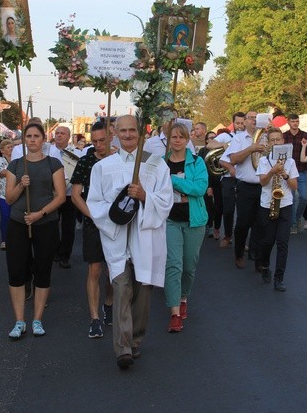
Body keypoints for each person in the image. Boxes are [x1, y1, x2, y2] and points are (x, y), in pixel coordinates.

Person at [86, 115, 173, 370]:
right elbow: (95, 203)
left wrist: (145, 196)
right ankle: (122, 348)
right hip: (118, 237)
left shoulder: (156, 164)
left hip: (145, 236)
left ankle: (136, 339)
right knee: (122, 288)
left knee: (143, 293)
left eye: (131, 130)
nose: (127, 135)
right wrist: (117, 209)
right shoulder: (103, 167)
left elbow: (166, 200)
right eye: (122, 130)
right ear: (114, 132)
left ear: (140, 132)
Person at [3, 122, 66, 340]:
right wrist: (21, 185)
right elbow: (9, 198)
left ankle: (37, 319)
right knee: (17, 271)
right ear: (24, 140)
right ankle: (19, 320)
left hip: (45, 224)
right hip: (18, 224)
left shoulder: (53, 163)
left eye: (36, 136)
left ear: (43, 139)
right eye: (28, 136)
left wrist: (41, 213)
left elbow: (60, 196)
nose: (32, 140)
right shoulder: (16, 165)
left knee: (42, 270)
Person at [71, 121, 115, 339]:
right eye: (94, 141)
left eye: (102, 140)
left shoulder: (119, 159)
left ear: (111, 136)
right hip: (93, 223)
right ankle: (95, 318)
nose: (98, 145)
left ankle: (109, 303)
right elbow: (76, 193)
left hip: (117, 223)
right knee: (94, 270)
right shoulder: (86, 160)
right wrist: (91, 215)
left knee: (113, 271)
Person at [164, 122, 208, 333]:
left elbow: (199, 188)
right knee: (173, 265)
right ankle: (174, 313)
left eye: (181, 137)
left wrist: (173, 181)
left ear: (188, 139)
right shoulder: (161, 163)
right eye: (174, 137)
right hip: (169, 220)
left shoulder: (197, 162)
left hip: (194, 221)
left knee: (189, 266)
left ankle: (183, 297)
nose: (178, 140)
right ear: (169, 140)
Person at [256, 127, 298, 291]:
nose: (275, 142)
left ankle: (279, 278)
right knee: (267, 241)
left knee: (283, 243)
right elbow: (262, 183)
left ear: (283, 141)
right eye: (272, 140)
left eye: (278, 140)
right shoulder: (263, 161)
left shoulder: (290, 161)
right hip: (267, 204)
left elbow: (294, 186)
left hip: (285, 203)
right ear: (268, 142)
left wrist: (285, 175)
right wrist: (272, 172)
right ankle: (265, 266)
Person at [221, 110, 264, 267]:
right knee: (243, 223)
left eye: (256, 118)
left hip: (264, 185)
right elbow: (233, 159)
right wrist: (251, 148)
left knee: (261, 223)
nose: (254, 120)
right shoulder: (239, 138)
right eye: (251, 118)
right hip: (245, 186)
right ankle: (239, 253)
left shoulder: (266, 136)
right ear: (244, 121)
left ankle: (256, 254)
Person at [207, 112, 245, 247]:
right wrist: (222, 146)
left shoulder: (249, 137)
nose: (240, 125)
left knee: (243, 212)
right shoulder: (226, 136)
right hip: (228, 177)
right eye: (238, 123)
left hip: (244, 177)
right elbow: (209, 145)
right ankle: (228, 235)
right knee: (228, 210)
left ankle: (241, 239)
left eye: (242, 122)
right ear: (233, 123)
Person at [53, 125, 82, 268]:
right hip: (52, 195)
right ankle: (54, 252)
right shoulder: (47, 152)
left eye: (62, 133)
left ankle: (65, 256)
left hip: (70, 195)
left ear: (68, 137)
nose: (59, 135)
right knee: (52, 225)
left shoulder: (77, 153)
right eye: (57, 133)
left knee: (68, 227)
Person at [284, 114, 307, 234]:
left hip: (301, 170)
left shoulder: (305, 135)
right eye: (293, 121)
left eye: (297, 121)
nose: (295, 123)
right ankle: (293, 224)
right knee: (291, 198)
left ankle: (296, 218)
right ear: (289, 122)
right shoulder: (284, 135)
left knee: (304, 197)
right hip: (289, 171)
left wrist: (306, 145)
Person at [199, 131, 222, 239]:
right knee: (209, 205)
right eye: (210, 137)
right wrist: (208, 186)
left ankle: (216, 226)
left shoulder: (220, 151)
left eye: (215, 137)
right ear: (207, 140)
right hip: (207, 181)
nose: (213, 139)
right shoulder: (202, 151)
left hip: (218, 182)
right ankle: (210, 226)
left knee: (218, 207)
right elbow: (203, 169)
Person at [0, 139, 13, 251]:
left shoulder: (16, 159)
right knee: (5, 216)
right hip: (3, 194)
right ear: (2, 150)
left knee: (15, 218)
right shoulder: (0, 160)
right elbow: (0, 172)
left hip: (16, 192)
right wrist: (13, 170)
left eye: (12, 147)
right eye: (8, 147)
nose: (11, 149)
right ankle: (4, 240)